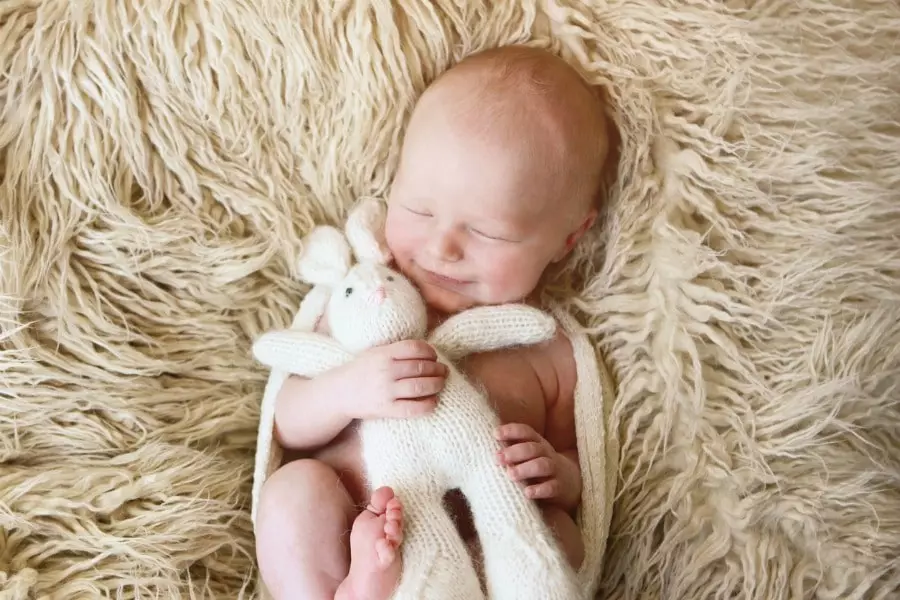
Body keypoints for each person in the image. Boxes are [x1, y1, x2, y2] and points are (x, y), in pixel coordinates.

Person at [255, 44, 613, 600]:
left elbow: (581, 467)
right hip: (349, 529)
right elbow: (288, 423)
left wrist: (557, 475)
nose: (442, 247)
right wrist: (347, 391)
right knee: (290, 496)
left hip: (476, 554)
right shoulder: (364, 302)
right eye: (419, 210)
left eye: (488, 234)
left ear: (568, 238)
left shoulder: (541, 345)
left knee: (559, 538)